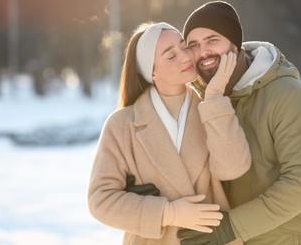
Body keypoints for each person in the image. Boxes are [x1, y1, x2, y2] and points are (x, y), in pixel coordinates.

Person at [173, 0, 301, 244]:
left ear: (235, 44)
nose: (203, 52)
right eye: (194, 45)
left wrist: (231, 227)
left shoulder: (286, 94)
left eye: (212, 40)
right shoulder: (200, 99)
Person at [87, 21, 251, 244]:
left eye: (184, 47)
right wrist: (169, 213)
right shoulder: (122, 124)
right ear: (151, 71)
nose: (185, 57)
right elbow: (101, 200)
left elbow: (233, 168)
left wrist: (214, 97)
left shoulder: (212, 109)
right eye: (170, 55)